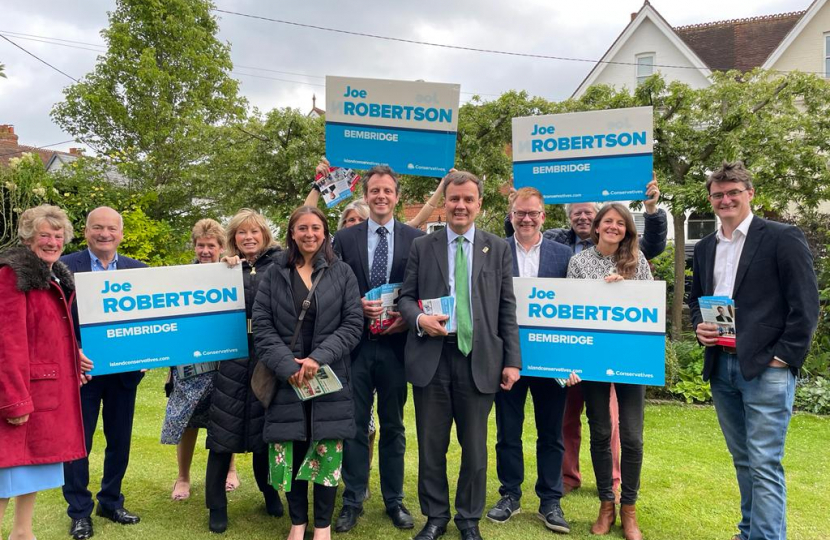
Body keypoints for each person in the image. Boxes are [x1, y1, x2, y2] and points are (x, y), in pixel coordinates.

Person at [505, 177, 666, 498]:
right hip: (570, 354)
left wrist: (651, 209)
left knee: (618, 428)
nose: (583, 218)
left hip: (617, 355)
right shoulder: (566, 251)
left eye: (589, 214)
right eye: (578, 214)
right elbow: (521, 231)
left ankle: (617, 486)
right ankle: (570, 478)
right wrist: (516, 203)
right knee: (574, 422)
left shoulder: (633, 257)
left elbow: (649, 277)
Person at [688, 162, 818, 540]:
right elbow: (697, 299)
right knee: (744, 460)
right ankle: (749, 532)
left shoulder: (781, 237)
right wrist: (699, 327)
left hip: (767, 370)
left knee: (764, 463)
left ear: (750, 194)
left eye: (733, 192)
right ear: (711, 199)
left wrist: (784, 358)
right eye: (718, 194)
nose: (725, 200)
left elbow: (805, 305)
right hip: (722, 366)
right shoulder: (707, 246)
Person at [398, 170, 521, 540]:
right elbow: (405, 298)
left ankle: (469, 519)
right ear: (445, 203)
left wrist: (512, 360)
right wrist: (419, 318)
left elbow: (506, 308)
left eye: (468, 199)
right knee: (431, 445)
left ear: (479, 204)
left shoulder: (497, 247)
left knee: (475, 449)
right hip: (432, 357)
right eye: (454, 199)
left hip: (479, 360)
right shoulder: (423, 246)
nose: (461, 205)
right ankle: (435, 516)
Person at [252, 205, 363, 540]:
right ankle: (297, 522)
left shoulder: (341, 272)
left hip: (327, 377)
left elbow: (353, 323)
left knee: (326, 451)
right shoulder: (274, 273)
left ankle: (323, 526)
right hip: (287, 379)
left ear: (325, 231)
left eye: (316, 227)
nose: (309, 234)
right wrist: (287, 366)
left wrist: (317, 358)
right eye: (302, 228)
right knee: (292, 449)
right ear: (292, 232)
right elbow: (263, 326)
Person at [331, 165, 424, 533]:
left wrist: (409, 315)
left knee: (394, 426)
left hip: (396, 348)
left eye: (387, 190)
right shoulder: (345, 239)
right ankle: (352, 500)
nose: (381, 196)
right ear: (366, 195)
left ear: (396, 196)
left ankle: (394, 500)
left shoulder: (416, 239)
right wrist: (355, 302)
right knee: (353, 427)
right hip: (354, 348)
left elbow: (423, 290)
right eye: (375, 191)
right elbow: (331, 286)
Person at [486, 187, 575, 533]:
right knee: (508, 431)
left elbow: (577, 309)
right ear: (511, 215)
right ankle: (510, 494)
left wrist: (573, 360)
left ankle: (550, 500)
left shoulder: (563, 255)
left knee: (551, 433)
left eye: (533, 213)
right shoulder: (494, 251)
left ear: (543, 216)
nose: (526, 218)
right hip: (507, 358)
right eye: (520, 213)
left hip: (551, 360)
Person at [0, 205, 88, 540]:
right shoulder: (12, 274)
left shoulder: (51, 275)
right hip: (24, 393)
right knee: (7, 473)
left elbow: (45, 334)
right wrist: (14, 401)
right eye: (44, 236)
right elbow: (7, 342)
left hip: (45, 392)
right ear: (27, 238)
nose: (52, 241)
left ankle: (23, 533)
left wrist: (72, 357)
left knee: (33, 469)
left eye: (57, 235)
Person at [566, 202, 653, 540]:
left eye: (621, 223)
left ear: (627, 229)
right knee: (600, 432)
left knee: (631, 436)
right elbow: (570, 311)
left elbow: (647, 308)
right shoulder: (579, 262)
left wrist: (626, 288)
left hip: (631, 359)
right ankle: (606, 504)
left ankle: (629, 509)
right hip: (592, 359)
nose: (614, 227)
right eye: (608, 222)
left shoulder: (637, 261)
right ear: (597, 226)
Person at [61, 206, 147, 540]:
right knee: (78, 444)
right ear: (86, 232)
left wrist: (149, 350)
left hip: (124, 374)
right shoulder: (65, 266)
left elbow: (149, 320)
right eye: (97, 227)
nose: (105, 234)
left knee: (119, 442)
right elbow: (54, 318)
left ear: (121, 234)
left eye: (111, 228)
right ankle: (79, 511)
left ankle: (110, 501)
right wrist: (72, 350)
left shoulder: (138, 271)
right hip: (81, 372)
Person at [204, 209, 284, 533]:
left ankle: (270, 492)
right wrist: (221, 270)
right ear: (233, 238)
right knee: (224, 433)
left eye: (254, 232)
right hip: (232, 357)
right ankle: (216, 506)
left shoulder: (281, 265)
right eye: (241, 233)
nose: (248, 238)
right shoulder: (224, 269)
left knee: (267, 432)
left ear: (265, 234)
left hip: (268, 356)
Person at [160, 219, 239, 500]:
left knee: (226, 415)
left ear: (221, 247)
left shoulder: (232, 271)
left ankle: (230, 470)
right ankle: (183, 478)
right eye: (200, 245)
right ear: (194, 246)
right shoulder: (180, 276)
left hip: (226, 358)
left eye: (211, 246)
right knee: (188, 419)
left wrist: (232, 264)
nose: (205, 250)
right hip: (188, 361)